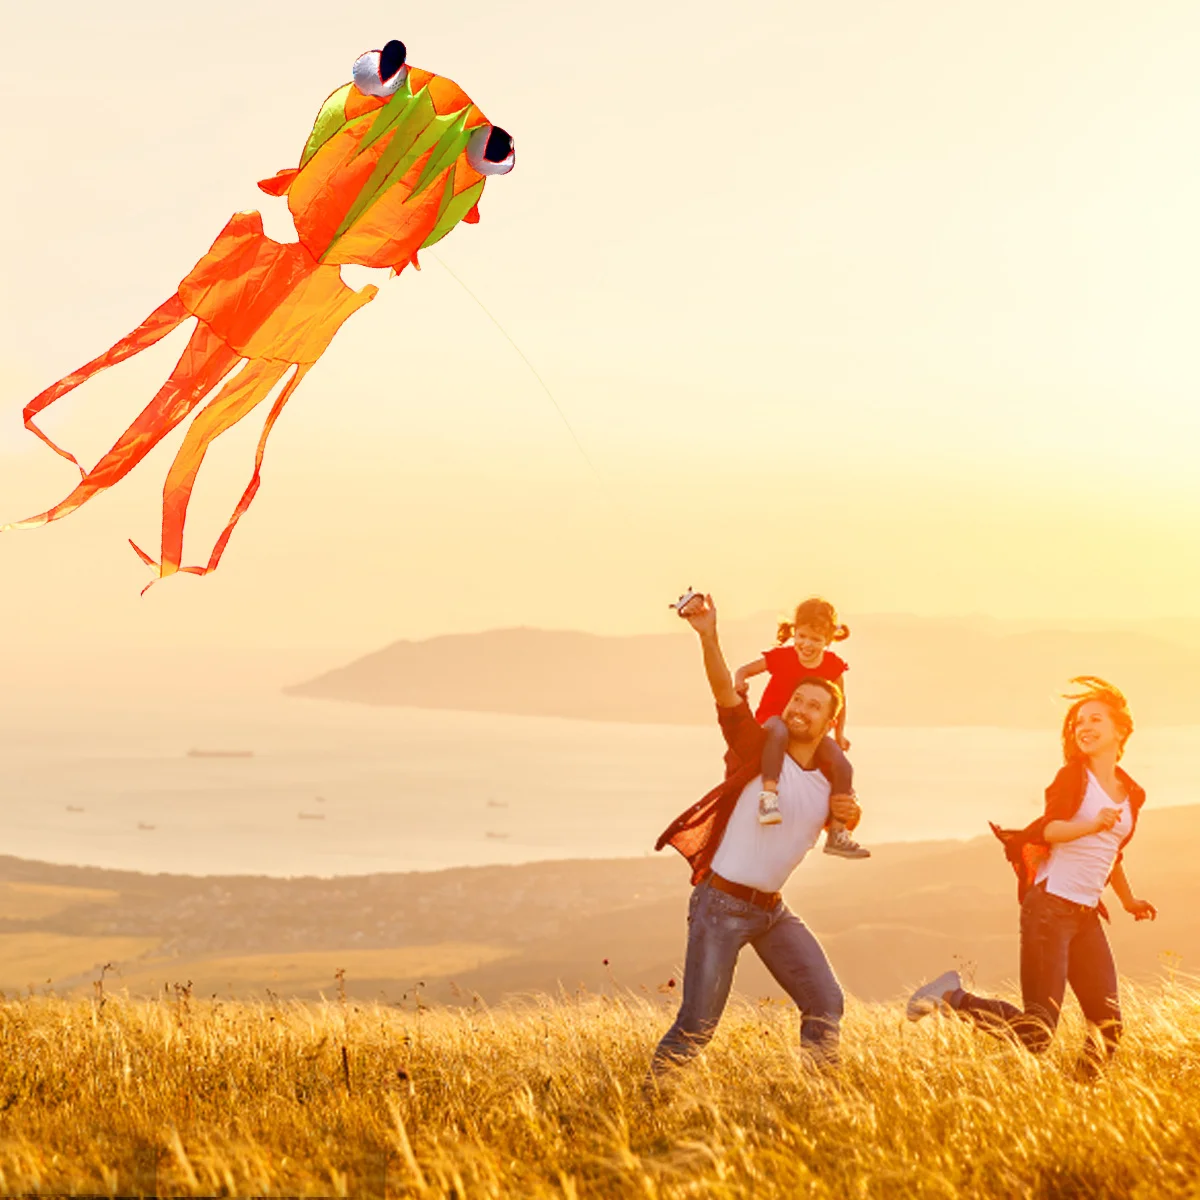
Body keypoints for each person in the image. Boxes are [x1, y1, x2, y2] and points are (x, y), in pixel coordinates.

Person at [648, 591, 862, 1083]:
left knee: (825, 1001)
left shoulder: (831, 776)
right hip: (720, 907)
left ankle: (821, 1097)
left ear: (831, 722)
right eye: (798, 700)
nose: (802, 709)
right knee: (697, 1026)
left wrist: (854, 812)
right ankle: (650, 1104)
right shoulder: (756, 749)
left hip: (771, 911)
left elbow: (841, 818)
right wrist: (709, 635)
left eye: (815, 706)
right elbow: (727, 692)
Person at [907, 677, 1157, 1079]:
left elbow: (1112, 852)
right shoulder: (1072, 778)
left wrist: (1128, 900)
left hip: (1086, 916)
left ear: (1121, 729)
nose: (1084, 727)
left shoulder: (1132, 793)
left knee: (1108, 1029)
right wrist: (1092, 824)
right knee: (1038, 1033)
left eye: (1095, 719)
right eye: (1078, 722)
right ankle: (950, 997)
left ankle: (1080, 1103)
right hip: (1049, 910)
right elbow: (1051, 830)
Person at [734, 597, 868, 858]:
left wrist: (839, 735)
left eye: (816, 639)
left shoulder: (833, 666)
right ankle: (769, 798)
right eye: (802, 636)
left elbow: (839, 703)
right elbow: (744, 670)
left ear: (828, 640)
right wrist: (739, 684)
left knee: (842, 765)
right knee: (779, 733)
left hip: (809, 731)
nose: (806, 644)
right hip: (773, 720)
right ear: (794, 632)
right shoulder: (781, 657)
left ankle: (838, 833)